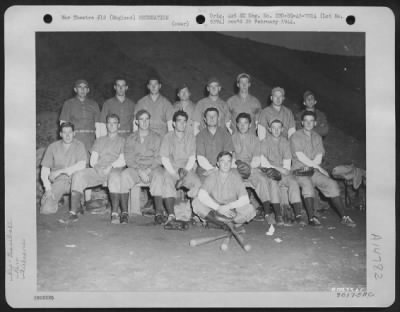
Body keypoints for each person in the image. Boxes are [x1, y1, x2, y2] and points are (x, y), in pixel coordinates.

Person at [290, 111, 356, 227]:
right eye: (306, 121)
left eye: (311, 121)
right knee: (307, 185)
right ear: (302, 122)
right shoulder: (296, 136)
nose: (308, 123)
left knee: (331, 184)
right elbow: (300, 156)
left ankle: (344, 217)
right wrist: (319, 168)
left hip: (313, 171)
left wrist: (316, 167)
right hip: (299, 171)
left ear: (315, 123)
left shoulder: (317, 137)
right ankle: (312, 218)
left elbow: (319, 158)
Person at [68, 114, 126, 222]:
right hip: (99, 169)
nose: (112, 125)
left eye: (114, 123)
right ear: (106, 125)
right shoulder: (100, 140)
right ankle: (73, 212)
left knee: (114, 177)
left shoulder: (123, 141)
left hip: (114, 169)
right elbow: (93, 159)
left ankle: (114, 213)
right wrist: (96, 167)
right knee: (78, 174)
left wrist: (111, 166)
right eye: (109, 123)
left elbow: (123, 160)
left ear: (119, 125)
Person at [150, 110, 200, 229]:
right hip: (171, 168)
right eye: (179, 121)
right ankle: (171, 215)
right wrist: (173, 173)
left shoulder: (190, 137)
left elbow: (192, 157)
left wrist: (184, 173)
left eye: (184, 122)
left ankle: (196, 214)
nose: (182, 124)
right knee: (167, 181)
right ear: (173, 123)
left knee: (197, 183)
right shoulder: (168, 137)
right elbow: (164, 158)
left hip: (186, 169)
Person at [111, 109, 162, 224]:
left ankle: (159, 213)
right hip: (136, 168)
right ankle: (124, 212)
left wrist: (148, 170)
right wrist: (139, 171)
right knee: (124, 175)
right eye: (141, 119)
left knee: (159, 176)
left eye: (147, 119)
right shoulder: (131, 138)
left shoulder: (157, 137)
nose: (144, 122)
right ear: (137, 122)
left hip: (152, 168)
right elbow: (129, 158)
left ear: (150, 121)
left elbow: (159, 157)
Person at [260, 119, 311, 226]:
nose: (276, 130)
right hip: (269, 173)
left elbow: (287, 168)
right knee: (273, 183)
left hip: (283, 174)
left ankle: (298, 215)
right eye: (273, 128)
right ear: (269, 129)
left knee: (293, 182)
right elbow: (264, 164)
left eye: (279, 128)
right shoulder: (264, 142)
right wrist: (276, 168)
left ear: (282, 129)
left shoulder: (285, 142)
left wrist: (276, 167)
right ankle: (278, 215)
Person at [192, 151, 256, 227]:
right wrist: (218, 208)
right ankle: (226, 225)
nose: (226, 164)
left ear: (231, 164)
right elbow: (202, 195)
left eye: (228, 161)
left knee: (250, 209)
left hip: (232, 210)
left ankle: (218, 223)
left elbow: (245, 199)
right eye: (222, 161)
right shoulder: (212, 176)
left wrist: (228, 207)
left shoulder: (236, 177)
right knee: (196, 202)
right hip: (214, 209)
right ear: (218, 164)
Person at [39, 122, 87, 214]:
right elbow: (45, 169)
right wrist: (48, 189)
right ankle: (57, 199)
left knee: (79, 181)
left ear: (74, 133)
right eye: (65, 133)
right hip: (59, 181)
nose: (68, 135)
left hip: (75, 181)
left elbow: (82, 165)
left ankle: (77, 200)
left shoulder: (79, 145)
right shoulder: (52, 147)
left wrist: (60, 171)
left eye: (70, 132)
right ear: (60, 134)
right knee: (46, 210)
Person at [232, 113, 271, 221]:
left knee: (262, 179)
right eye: (240, 123)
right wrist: (238, 166)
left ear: (250, 125)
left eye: (246, 123)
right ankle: (235, 211)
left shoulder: (255, 139)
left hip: (251, 167)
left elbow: (257, 159)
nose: (243, 125)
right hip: (235, 167)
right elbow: (229, 158)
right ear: (237, 124)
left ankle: (267, 213)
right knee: (231, 179)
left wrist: (248, 167)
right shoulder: (231, 138)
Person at [59, 79, 101, 153]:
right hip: (75, 139)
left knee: (90, 162)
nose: (82, 89)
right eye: (79, 87)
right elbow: (63, 124)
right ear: (75, 89)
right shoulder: (68, 104)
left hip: (90, 140)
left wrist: (99, 143)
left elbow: (99, 126)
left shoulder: (94, 104)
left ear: (88, 90)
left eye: (85, 87)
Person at [196, 107, 234, 182]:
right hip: (204, 169)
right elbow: (200, 158)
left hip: (223, 168)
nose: (212, 118)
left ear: (218, 118)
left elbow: (228, 156)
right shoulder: (200, 135)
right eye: (209, 116)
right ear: (205, 119)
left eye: (214, 116)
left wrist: (217, 170)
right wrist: (211, 170)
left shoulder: (225, 134)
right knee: (205, 186)